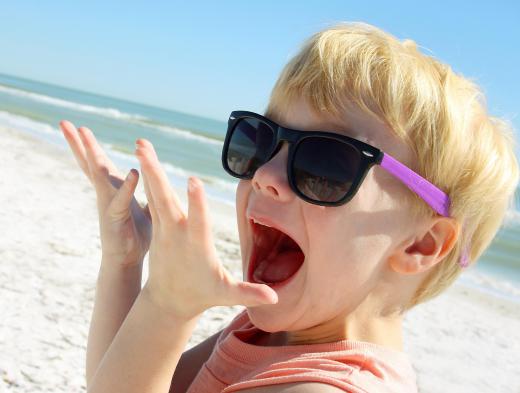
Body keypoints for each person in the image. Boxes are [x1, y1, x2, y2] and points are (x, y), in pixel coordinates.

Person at [60, 21, 519, 393]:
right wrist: (125, 261)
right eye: (259, 141)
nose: (265, 176)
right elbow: (124, 378)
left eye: (324, 162)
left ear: (420, 244)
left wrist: (167, 306)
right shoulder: (264, 336)